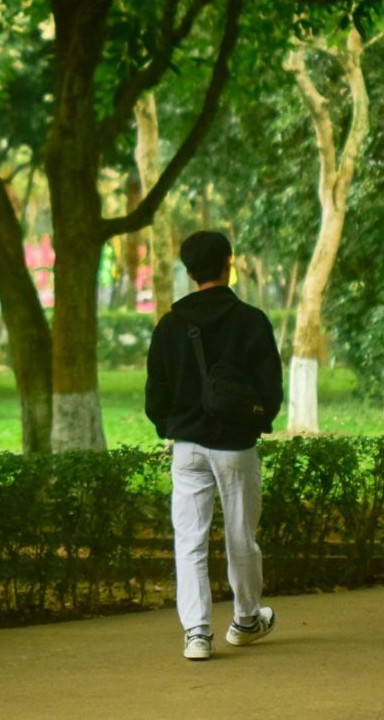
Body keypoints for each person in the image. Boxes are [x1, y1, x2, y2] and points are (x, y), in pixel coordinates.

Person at [145, 230, 284, 661]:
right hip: (236, 447)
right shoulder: (251, 320)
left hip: (187, 448)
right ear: (230, 262)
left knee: (189, 541)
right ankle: (245, 619)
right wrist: (255, 420)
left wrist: (175, 426)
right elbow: (271, 389)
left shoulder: (169, 326)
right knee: (242, 537)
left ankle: (197, 635)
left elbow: (155, 398)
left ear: (188, 272)